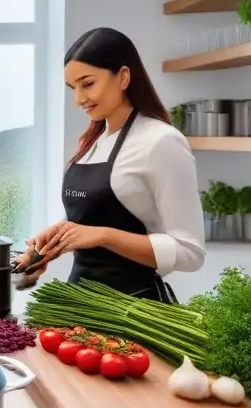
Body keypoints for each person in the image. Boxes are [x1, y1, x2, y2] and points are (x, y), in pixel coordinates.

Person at [15, 27, 205, 301]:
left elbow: (190, 253)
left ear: (123, 77)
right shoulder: (93, 143)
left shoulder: (162, 142)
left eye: (88, 83)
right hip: (80, 306)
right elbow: (92, 221)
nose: (78, 99)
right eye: (73, 88)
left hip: (133, 311)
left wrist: (103, 235)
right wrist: (50, 245)